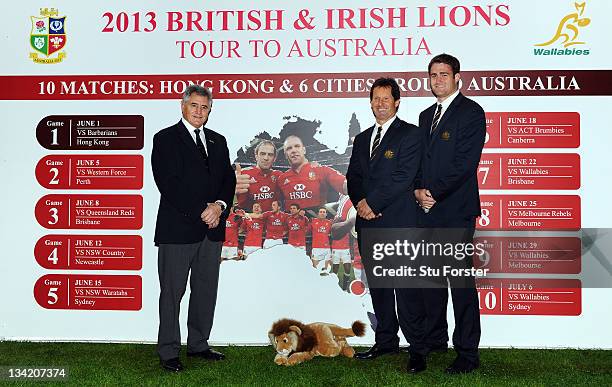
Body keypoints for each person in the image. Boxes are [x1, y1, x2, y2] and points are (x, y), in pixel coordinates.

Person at [151, 84, 236, 372]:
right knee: (172, 293)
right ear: (183, 106)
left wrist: (220, 207)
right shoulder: (165, 139)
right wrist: (204, 210)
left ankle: (199, 344)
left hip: (211, 230)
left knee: (205, 290)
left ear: (210, 111)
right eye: (194, 106)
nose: (199, 111)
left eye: (205, 107)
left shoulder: (218, 140)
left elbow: (228, 180)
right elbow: (168, 183)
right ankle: (168, 350)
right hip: (178, 230)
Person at [414, 53, 486, 374]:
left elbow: (465, 164)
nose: (438, 80)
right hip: (426, 211)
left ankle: (467, 352)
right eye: (433, 75)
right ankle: (435, 338)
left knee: (459, 281)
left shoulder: (471, 112)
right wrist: (418, 190)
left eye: (444, 74)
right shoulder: (425, 115)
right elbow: (419, 161)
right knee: (430, 280)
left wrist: (434, 194)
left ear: (458, 77)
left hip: (456, 211)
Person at [346, 77, 423, 372]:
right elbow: (352, 177)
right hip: (368, 225)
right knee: (378, 287)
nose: (380, 104)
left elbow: (403, 177)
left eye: (385, 99)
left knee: (405, 288)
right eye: (375, 99)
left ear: (397, 102)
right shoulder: (363, 138)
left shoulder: (411, 135)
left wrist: (372, 204)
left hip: (397, 224)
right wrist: (360, 204)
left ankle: (417, 348)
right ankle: (386, 340)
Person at [278, 135, 347, 211]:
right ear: (285, 155)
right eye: (289, 148)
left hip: (316, 220)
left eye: (297, 146)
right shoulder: (282, 178)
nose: (293, 150)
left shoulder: (321, 170)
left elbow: (345, 186)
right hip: (291, 222)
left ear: (304, 150)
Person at [235, 140, 282, 212]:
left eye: (270, 155)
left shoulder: (279, 175)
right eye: (262, 154)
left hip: (271, 220)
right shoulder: (243, 174)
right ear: (256, 156)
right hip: (249, 219)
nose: (266, 158)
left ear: (274, 158)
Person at [309, 207, 333, 272]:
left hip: (326, 248)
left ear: (326, 214)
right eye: (321, 212)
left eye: (324, 212)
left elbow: (334, 233)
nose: (322, 213)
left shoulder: (330, 223)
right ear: (318, 214)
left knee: (327, 269)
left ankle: (325, 281)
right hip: (316, 248)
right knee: (315, 269)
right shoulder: (313, 221)